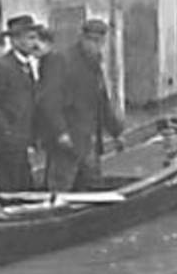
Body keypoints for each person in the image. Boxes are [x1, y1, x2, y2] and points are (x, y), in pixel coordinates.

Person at [38, 17, 125, 192]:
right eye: (91, 40)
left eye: (99, 41)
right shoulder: (61, 60)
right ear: (82, 38)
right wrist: (60, 131)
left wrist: (115, 132)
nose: (95, 45)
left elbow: (102, 101)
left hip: (87, 137)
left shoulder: (94, 64)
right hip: (67, 136)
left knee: (92, 182)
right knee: (61, 184)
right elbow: (49, 101)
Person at [0, 13, 46, 192]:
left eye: (35, 37)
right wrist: (6, 131)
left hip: (22, 141)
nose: (34, 43)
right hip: (7, 144)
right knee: (11, 190)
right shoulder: (2, 67)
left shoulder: (27, 65)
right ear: (15, 41)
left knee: (26, 189)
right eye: (30, 38)